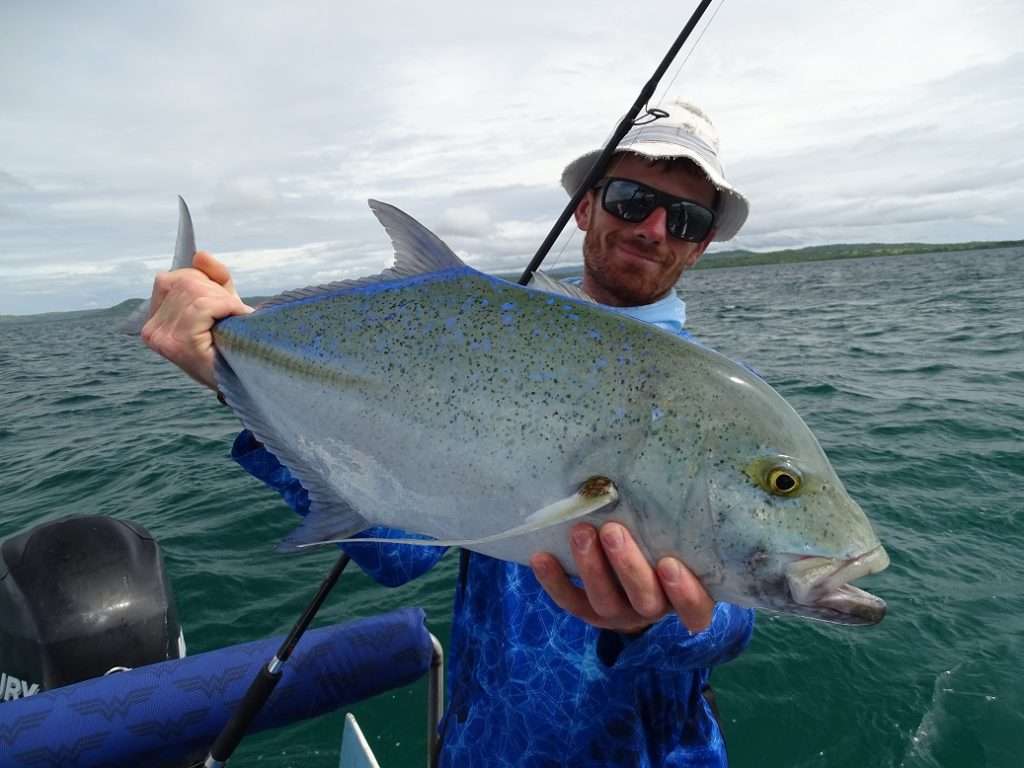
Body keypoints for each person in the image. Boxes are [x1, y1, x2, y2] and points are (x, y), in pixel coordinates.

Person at [142, 99, 755, 767]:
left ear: (700, 246)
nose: (656, 228)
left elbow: (737, 616)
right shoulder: (488, 349)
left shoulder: (725, 406)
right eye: (632, 199)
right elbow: (398, 551)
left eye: (688, 218)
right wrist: (230, 373)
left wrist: (655, 618)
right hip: (485, 746)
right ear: (586, 206)